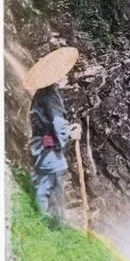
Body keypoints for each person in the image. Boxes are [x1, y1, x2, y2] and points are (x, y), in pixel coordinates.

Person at [29, 74, 81, 222]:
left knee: (48, 182)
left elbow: (46, 121)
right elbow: (58, 122)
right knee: (49, 184)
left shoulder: (42, 93)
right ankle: (48, 222)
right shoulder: (49, 96)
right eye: (62, 74)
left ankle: (51, 220)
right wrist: (71, 133)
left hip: (41, 145)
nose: (65, 76)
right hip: (47, 148)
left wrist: (71, 128)